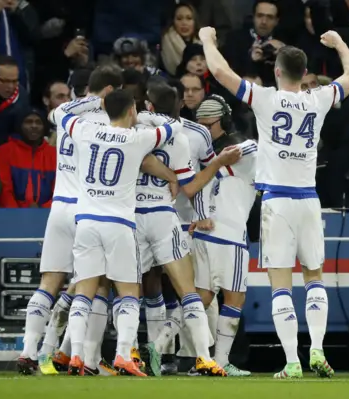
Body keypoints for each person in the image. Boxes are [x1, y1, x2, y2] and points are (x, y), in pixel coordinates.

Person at [200, 26, 349, 378]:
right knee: (315, 278)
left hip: (277, 201)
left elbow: (220, 72)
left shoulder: (265, 98)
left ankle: (292, 361)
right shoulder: (317, 99)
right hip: (308, 200)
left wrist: (208, 40)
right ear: (304, 74)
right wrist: (337, 43)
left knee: (281, 283)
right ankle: (318, 351)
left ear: (276, 71)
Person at [50, 89, 181, 377]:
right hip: (119, 224)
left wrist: (93, 101)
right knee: (129, 293)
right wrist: (148, 114)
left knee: (84, 291)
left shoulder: (85, 131)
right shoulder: (138, 138)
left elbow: (60, 113)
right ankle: (123, 354)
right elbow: (174, 125)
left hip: (85, 222)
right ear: (132, 111)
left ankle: (76, 356)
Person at [17, 65, 126, 376]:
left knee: (49, 281)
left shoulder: (66, 113)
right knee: (98, 286)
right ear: (109, 91)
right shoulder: (108, 119)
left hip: (59, 206)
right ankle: (87, 359)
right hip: (89, 210)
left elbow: (55, 113)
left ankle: (28, 351)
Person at [135, 80, 238, 377]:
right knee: (176, 290)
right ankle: (169, 355)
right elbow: (200, 180)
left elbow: (203, 185)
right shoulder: (180, 136)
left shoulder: (135, 129)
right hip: (164, 216)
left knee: (134, 291)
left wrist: (203, 214)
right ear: (179, 103)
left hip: (175, 218)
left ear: (148, 105)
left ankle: (192, 357)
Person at [194, 96, 259, 377]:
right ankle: (219, 362)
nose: (205, 130)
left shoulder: (200, 154)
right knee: (234, 299)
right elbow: (255, 146)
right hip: (229, 235)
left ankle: (161, 347)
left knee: (201, 298)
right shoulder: (243, 151)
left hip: (202, 232)